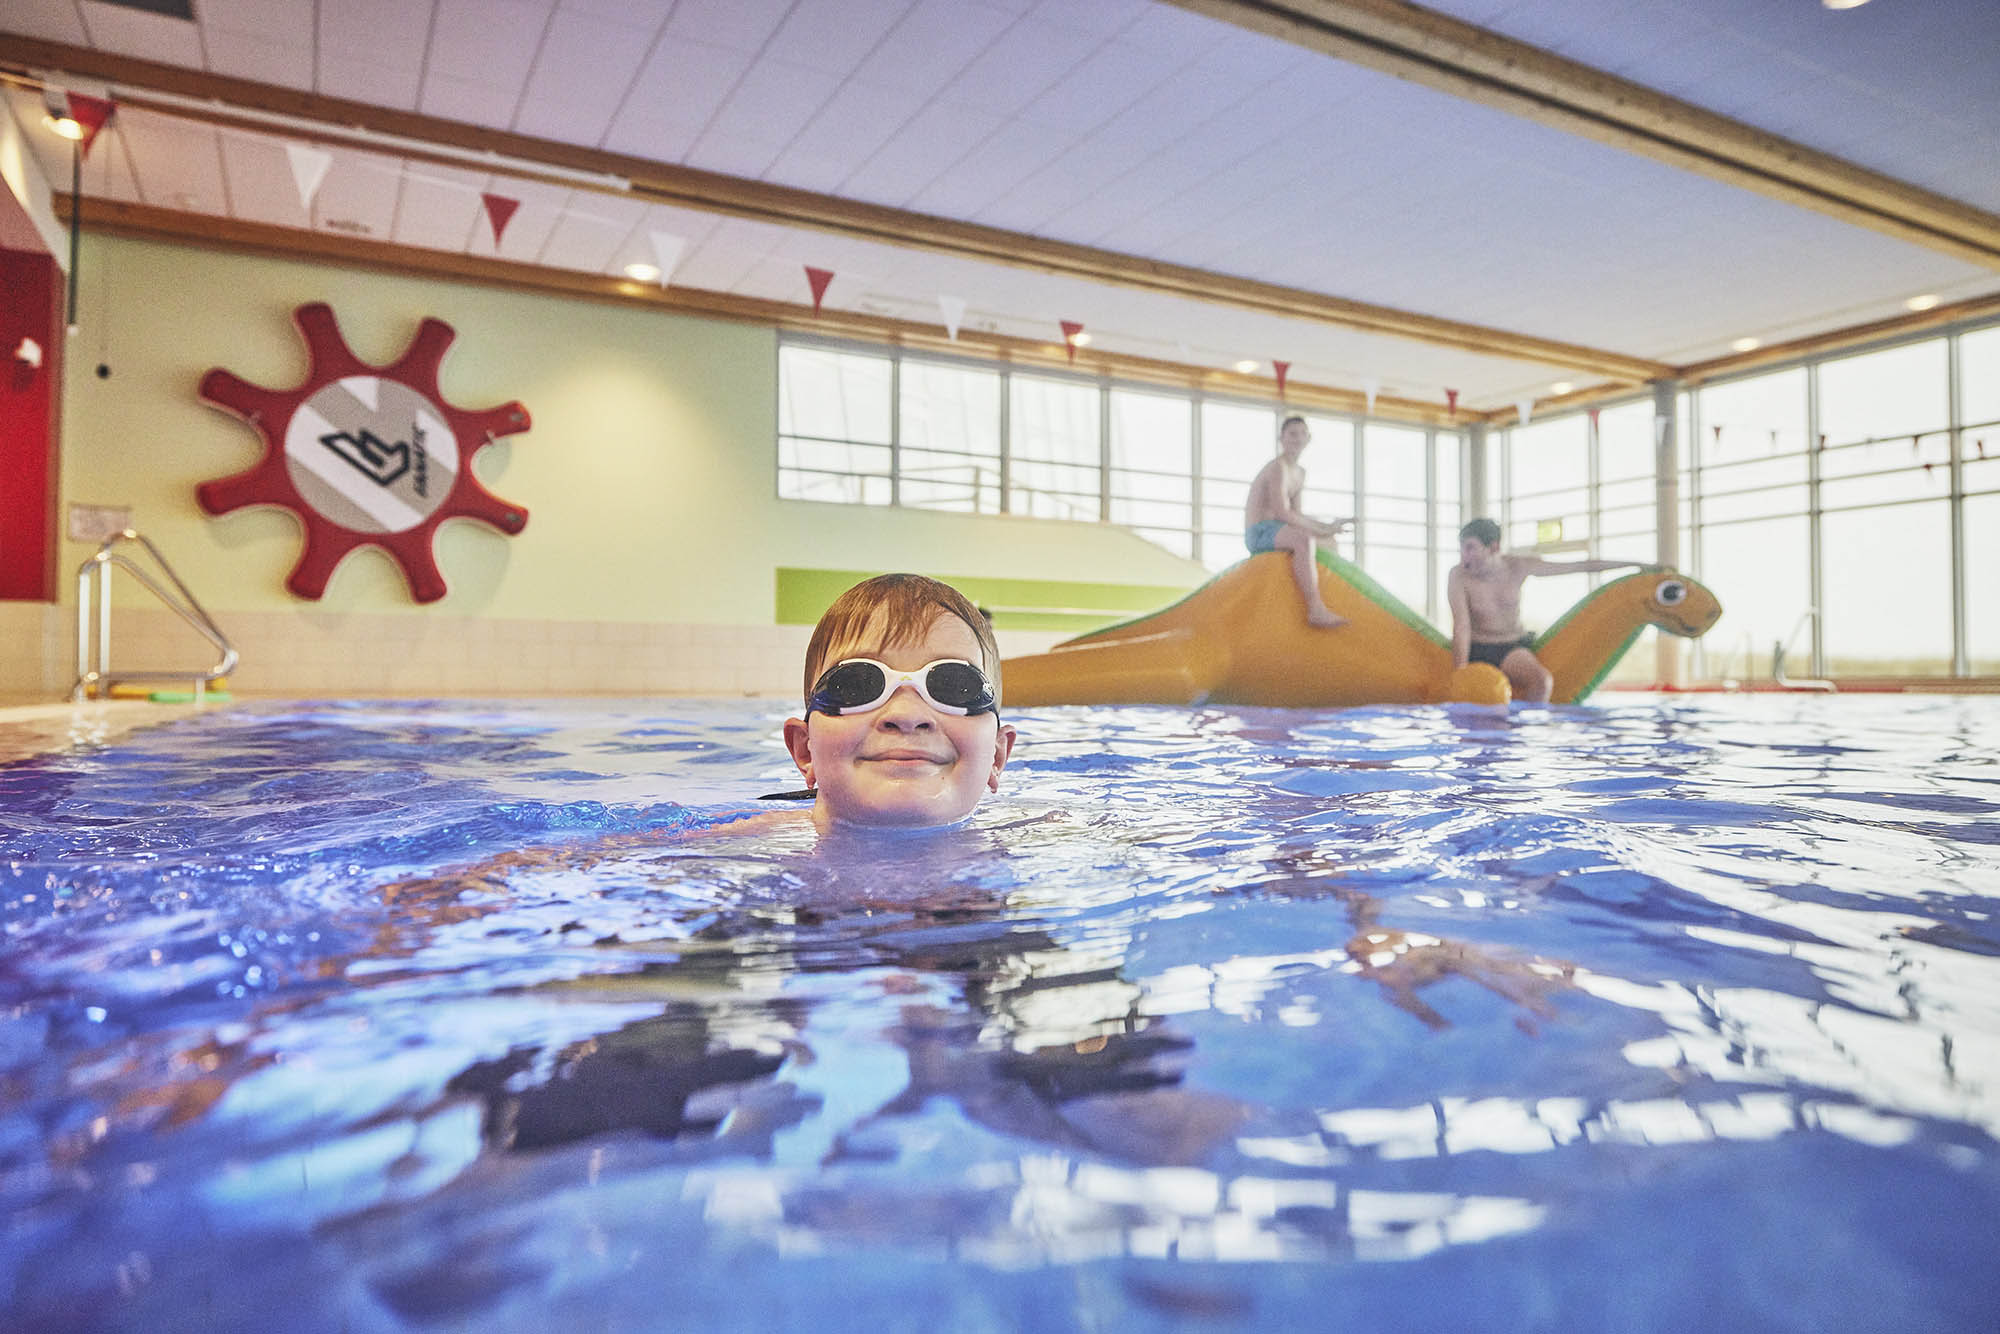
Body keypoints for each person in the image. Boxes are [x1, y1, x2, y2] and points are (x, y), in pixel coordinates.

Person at [783, 572, 1017, 830]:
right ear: (805, 750)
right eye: (857, 686)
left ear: (996, 756)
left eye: (955, 687)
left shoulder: (1050, 838)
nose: (907, 716)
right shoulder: (743, 841)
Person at [1448, 517, 1655, 703]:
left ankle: (1524, 736)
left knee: (1542, 682)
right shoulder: (1458, 576)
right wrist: (1461, 672)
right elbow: (1461, 625)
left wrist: (1634, 564)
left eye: (1470, 548)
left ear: (1493, 547)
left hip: (1511, 647)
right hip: (1479, 646)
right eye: (1462, 549)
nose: (1464, 557)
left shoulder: (1518, 566)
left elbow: (1578, 566)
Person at [1243, 415, 1353, 629]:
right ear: (1281, 438)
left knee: (1329, 542)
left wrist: (1328, 527)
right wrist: (1320, 530)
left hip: (1278, 529)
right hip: (1260, 531)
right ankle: (1315, 608)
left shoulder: (1300, 473)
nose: (1298, 438)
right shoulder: (1278, 467)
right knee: (1304, 540)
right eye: (1292, 434)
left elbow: (1298, 514)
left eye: (1302, 434)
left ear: (1309, 438)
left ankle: (1334, 598)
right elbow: (1282, 513)